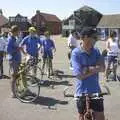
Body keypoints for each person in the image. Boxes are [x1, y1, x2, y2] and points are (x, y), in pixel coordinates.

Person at [71, 28, 105, 120]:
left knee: (100, 117)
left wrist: (88, 69)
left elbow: (102, 68)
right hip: (81, 92)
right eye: (95, 37)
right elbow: (79, 76)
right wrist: (95, 69)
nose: (96, 39)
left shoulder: (96, 51)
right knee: (82, 117)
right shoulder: (75, 53)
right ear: (85, 37)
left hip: (96, 90)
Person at [7, 25, 21, 97]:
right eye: (18, 31)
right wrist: (17, 49)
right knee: (13, 76)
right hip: (13, 60)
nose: (19, 32)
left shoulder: (14, 38)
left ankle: (16, 90)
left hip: (17, 59)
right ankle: (13, 92)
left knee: (17, 76)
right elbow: (8, 50)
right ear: (15, 31)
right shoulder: (10, 39)